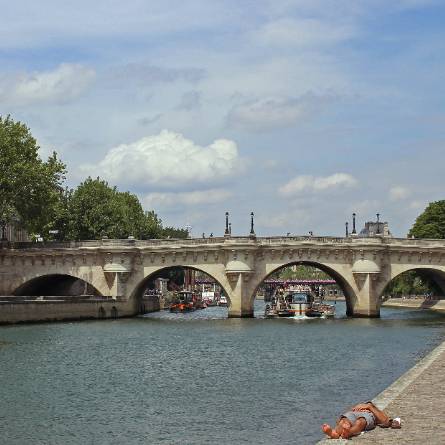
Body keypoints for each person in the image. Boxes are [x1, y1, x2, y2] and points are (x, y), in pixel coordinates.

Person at [322, 401, 401, 439]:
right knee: (344, 421)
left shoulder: (374, 409)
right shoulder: (361, 405)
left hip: (367, 415)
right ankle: (334, 433)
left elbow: (385, 421)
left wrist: (369, 407)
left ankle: (348, 433)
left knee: (360, 422)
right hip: (355, 412)